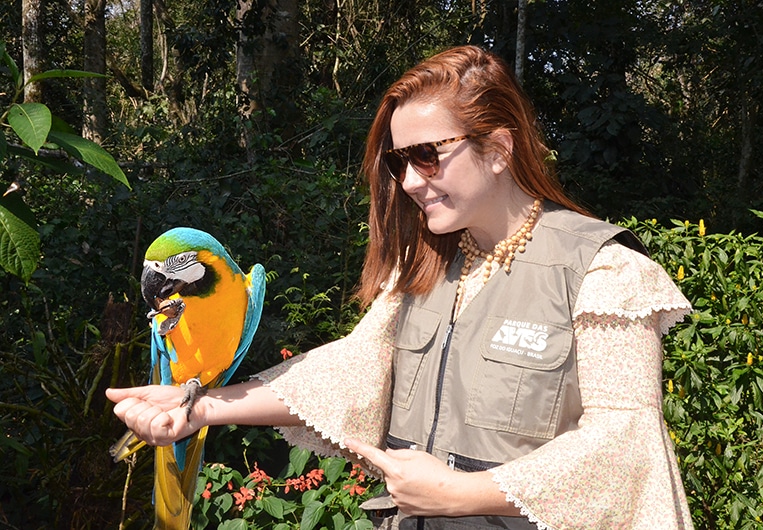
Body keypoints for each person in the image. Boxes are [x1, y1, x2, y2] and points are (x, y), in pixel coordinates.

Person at [107, 45, 694, 529]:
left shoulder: (603, 272)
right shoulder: (423, 263)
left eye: (428, 156)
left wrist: (468, 493)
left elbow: (625, 443)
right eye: (398, 162)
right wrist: (201, 407)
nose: (409, 181)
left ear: (498, 149)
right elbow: (355, 370)